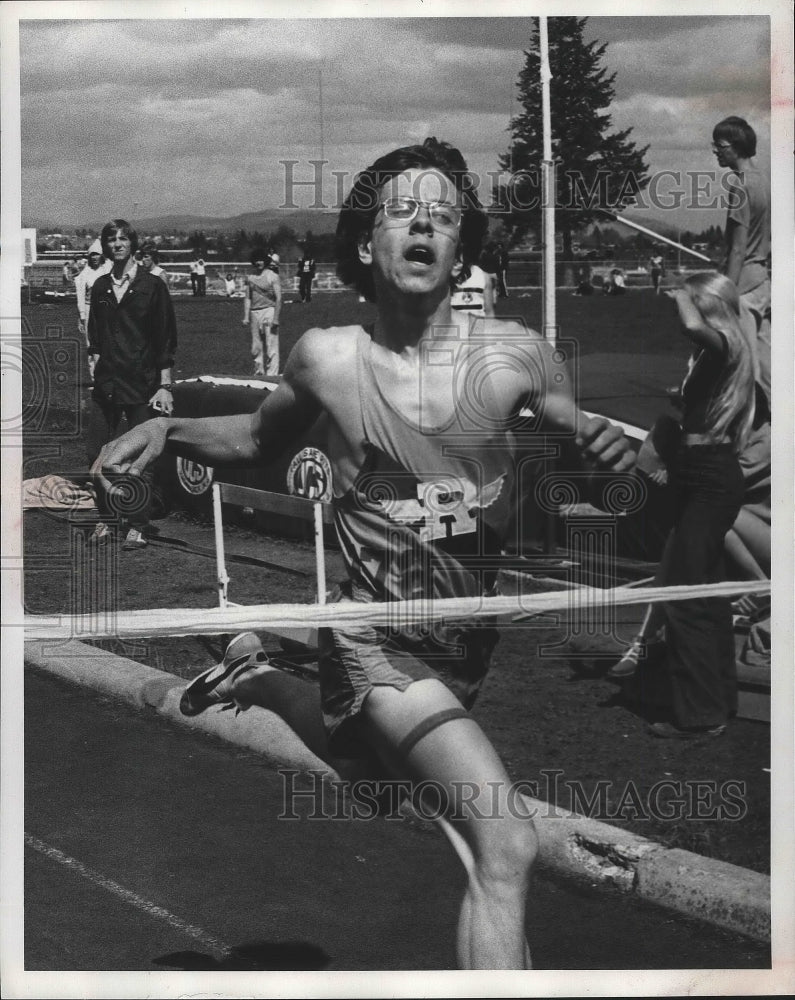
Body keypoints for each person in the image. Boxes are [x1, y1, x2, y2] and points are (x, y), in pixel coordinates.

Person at [94, 138, 634, 969]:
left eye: (445, 214)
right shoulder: (330, 359)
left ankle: (261, 675)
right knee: (503, 842)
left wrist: (624, 463)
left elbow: (594, 452)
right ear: (363, 244)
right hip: (371, 639)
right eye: (402, 210)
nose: (424, 224)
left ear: (463, 251)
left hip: (459, 644)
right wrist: (163, 426)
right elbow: (250, 436)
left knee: (383, 783)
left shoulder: (520, 356)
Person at [609, 273, 756, 739]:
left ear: (705, 306)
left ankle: (700, 714)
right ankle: (717, 703)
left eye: (692, 302)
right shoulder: (713, 357)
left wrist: (677, 293)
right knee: (705, 596)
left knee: (686, 599)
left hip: (710, 480)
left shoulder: (721, 345)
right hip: (698, 475)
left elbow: (693, 327)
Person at [87, 219, 177, 550]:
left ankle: (137, 525)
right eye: (111, 239)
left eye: (123, 238)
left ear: (132, 244)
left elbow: (165, 336)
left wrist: (164, 385)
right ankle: (107, 519)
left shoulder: (153, 286)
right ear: (105, 246)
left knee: (140, 455)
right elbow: (94, 336)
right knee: (95, 452)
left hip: (144, 383)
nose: (117, 244)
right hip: (106, 382)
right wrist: (94, 370)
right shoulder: (98, 286)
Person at [713, 116, 770, 406]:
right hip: (762, 283)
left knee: (741, 367)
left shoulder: (740, 186)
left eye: (720, 145)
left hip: (745, 287)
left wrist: (727, 292)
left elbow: (737, 249)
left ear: (735, 147)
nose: (715, 150)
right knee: (766, 366)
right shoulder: (765, 182)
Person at [74, 239, 110, 382]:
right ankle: (96, 378)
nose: (94, 258)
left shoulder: (108, 269)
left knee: (108, 342)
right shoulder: (85, 274)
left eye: (97, 254)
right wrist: (82, 315)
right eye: (92, 255)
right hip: (90, 310)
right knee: (91, 344)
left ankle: (109, 377)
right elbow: (80, 296)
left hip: (107, 309)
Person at [243, 250, 282, 376]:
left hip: (269, 311)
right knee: (256, 347)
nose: (259, 263)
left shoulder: (272, 276)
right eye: (256, 260)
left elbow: (279, 298)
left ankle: (272, 375)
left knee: (271, 345)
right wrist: (246, 316)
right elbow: (248, 297)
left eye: (261, 260)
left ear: (265, 261)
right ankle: (258, 372)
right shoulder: (250, 278)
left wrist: (276, 318)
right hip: (255, 313)